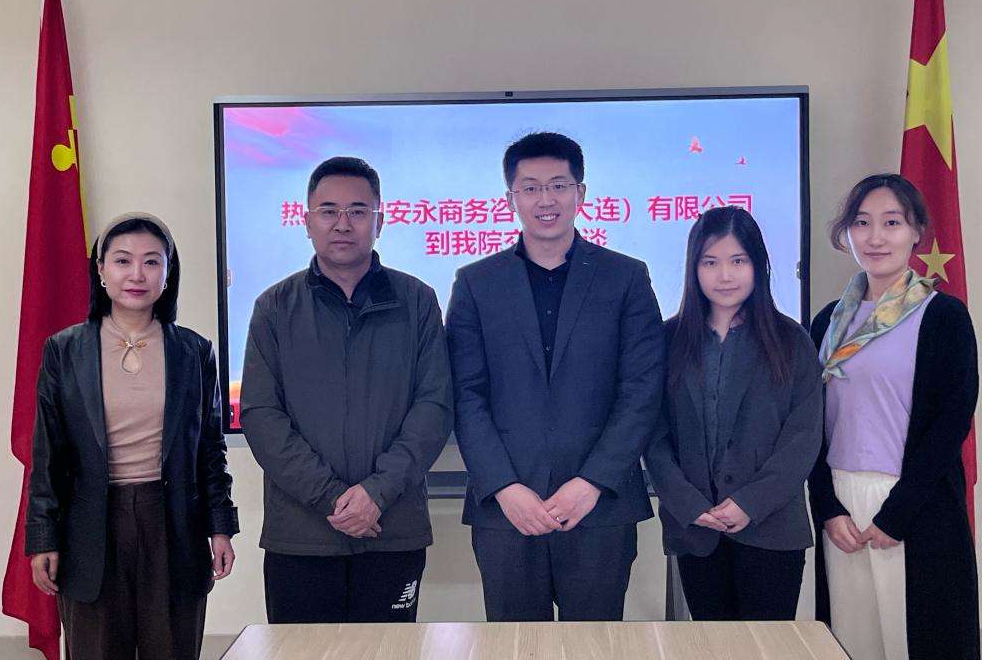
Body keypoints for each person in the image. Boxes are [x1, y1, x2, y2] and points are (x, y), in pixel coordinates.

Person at [446, 132, 664, 621]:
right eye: (531, 187)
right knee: (514, 647)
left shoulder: (626, 277)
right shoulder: (476, 283)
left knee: (595, 646)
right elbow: (465, 395)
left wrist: (592, 481)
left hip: (600, 505)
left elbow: (642, 391)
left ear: (580, 193)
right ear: (511, 198)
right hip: (506, 509)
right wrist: (504, 486)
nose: (546, 199)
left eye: (559, 185)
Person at [241, 156, 453, 623]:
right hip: (302, 533)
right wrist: (331, 498)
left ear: (381, 220)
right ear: (307, 221)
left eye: (358, 211)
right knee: (300, 654)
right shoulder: (275, 307)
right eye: (328, 211)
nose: (343, 224)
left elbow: (434, 407)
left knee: (389, 652)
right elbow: (261, 415)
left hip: (391, 526)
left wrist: (376, 493)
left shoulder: (417, 301)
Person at [25, 212, 238, 660]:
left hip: (173, 522)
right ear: (101, 270)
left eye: (152, 262)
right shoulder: (65, 351)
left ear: (168, 273)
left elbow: (209, 450)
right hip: (90, 527)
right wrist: (43, 536)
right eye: (123, 261)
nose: (137, 275)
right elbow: (47, 454)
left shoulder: (194, 352)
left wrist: (220, 527)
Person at [809, 173, 979, 659]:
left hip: (913, 504)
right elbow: (808, 426)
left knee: (919, 639)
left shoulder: (943, 316)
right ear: (847, 233)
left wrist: (897, 513)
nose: (876, 237)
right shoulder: (828, 321)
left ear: (916, 232)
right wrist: (828, 507)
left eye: (892, 223)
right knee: (850, 640)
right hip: (842, 507)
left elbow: (950, 424)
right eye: (862, 223)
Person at [644, 206, 822, 620]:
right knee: (711, 644)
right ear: (694, 269)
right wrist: (689, 503)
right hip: (697, 529)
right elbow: (653, 435)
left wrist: (750, 502)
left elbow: (803, 435)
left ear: (758, 265)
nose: (725, 275)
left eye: (738, 261)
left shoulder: (791, 340)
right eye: (710, 262)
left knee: (765, 646)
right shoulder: (668, 340)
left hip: (771, 529)